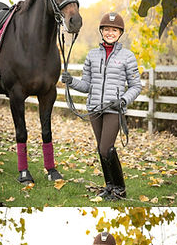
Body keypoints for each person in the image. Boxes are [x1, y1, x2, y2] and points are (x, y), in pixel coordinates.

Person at [61, 12, 143, 200]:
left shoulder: (127, 56)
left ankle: (120, 189)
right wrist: (71, 81)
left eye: (114, 30)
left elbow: (136, 86)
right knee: (101, 149)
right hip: (95, 108)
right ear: (101, 31)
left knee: (107, 148)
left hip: (114, 108)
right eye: (107, 29)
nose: (110, 33)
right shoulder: (92, 55)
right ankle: (109, 186)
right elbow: (87, 85)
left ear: (120, 32)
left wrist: (123, 100)